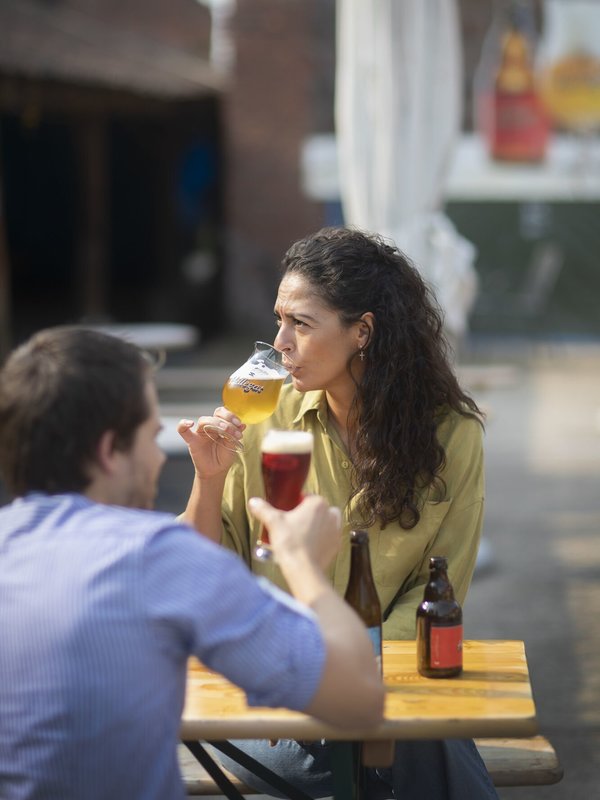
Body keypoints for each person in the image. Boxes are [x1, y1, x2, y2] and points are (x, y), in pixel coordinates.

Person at [177, 226, 499, 799]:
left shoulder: (452, 435)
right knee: (419, 746)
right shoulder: (263, 420)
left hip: (386, 683)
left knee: (401, 741)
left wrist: (346, 674)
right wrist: (209, 477)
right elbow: (200, 577)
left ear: (363, 332)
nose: (280, 342)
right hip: (270, 695)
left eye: (300, 324)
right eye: (279, 320)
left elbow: (436, 595)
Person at [0, 326, 384, 800]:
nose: (160, 458)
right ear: (108, 450)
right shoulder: (157, 556)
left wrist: (210, 479)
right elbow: (359, 699)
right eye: (151, 436)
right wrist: (304, 566)